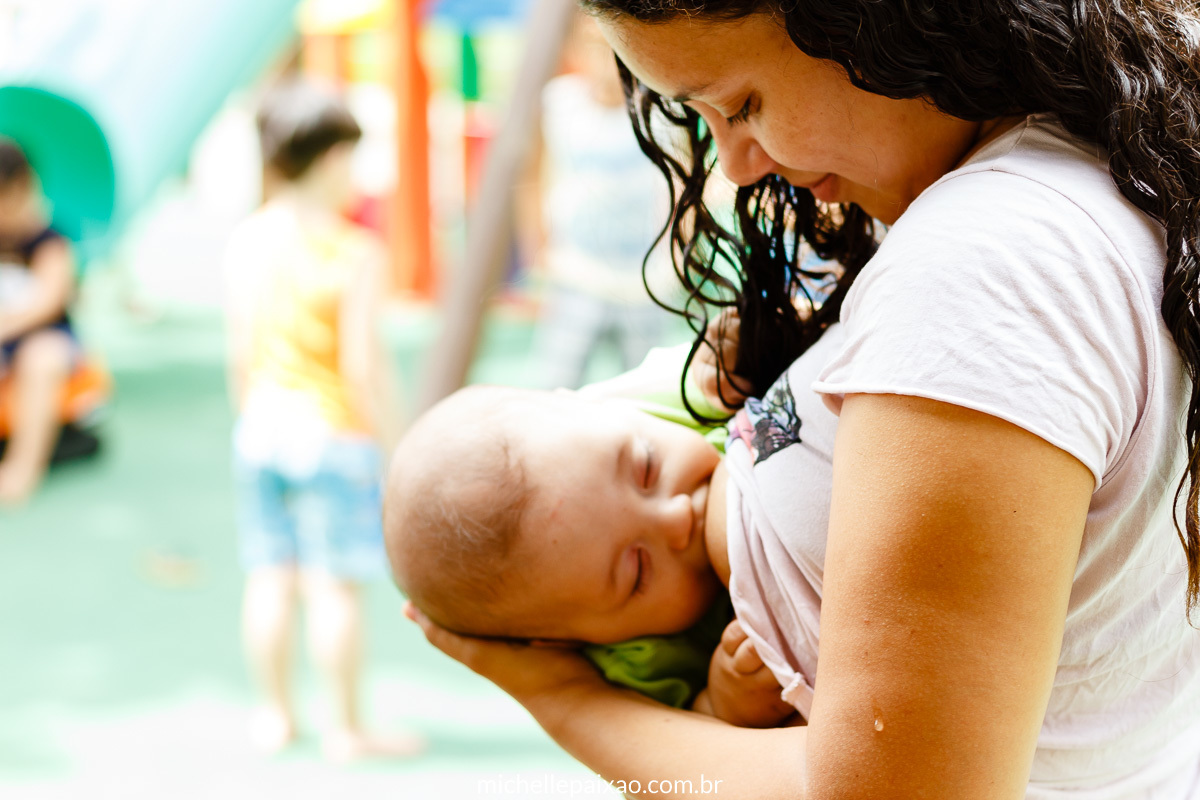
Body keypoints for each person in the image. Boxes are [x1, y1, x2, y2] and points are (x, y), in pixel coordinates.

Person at [404, 2, 1200, 798]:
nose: (735, 166)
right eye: (700, 117)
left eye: (744, 104)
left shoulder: (985, 261)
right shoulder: (1070, 169)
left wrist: (565, 701)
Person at [384, 336, 845, 727]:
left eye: (646, 468)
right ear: (570, 640)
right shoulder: (637, 662)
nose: (677, 516)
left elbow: (728, 352)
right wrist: (725, 700)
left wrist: (727, 345)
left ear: (587, 403)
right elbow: (682, 742)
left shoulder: (642, 400)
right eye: (637, 569)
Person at [224, 78, 418, 762]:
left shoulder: (249, 239)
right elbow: (363, 366)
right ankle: (347, 728)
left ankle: (274, 715)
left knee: (270, 575)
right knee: (333, 586)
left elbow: (240, 351)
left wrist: (249, 414)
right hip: (330, 434)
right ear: (333, 159)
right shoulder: (353, 252)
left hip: (262, 431)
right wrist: (395, 447)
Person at [523, 13, 674, 390]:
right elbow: (532, 177)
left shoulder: (659, 110)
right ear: (575, 48)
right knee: (558, 382)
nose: (604, 58)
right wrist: (535, 250)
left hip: (643, 278)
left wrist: (677, 248)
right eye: (593, 45)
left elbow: (684, 176)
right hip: (576, 272)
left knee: (642, 387)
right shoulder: (559, 105)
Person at [0, 139, 78, 505]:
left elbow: (48, 301)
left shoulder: (48, 241)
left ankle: (21, 469)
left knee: (42, 357)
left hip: (41, 338)